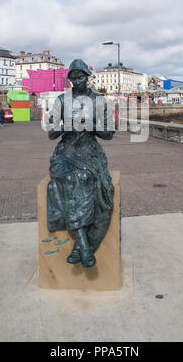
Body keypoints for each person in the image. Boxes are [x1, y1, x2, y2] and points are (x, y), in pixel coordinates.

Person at [47, 59, 114, 268]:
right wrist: (65, 125)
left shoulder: (99, 101)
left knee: (87, 181)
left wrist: (92, 125)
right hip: (65, 152)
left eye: (80, 77)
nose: (77, 81)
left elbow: (109, 134)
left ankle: (80, 247)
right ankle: (84, 247)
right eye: (73, 78)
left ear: (87, 76)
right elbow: (51, 134)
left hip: (89, 151)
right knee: (67, 179)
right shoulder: (61, 100)